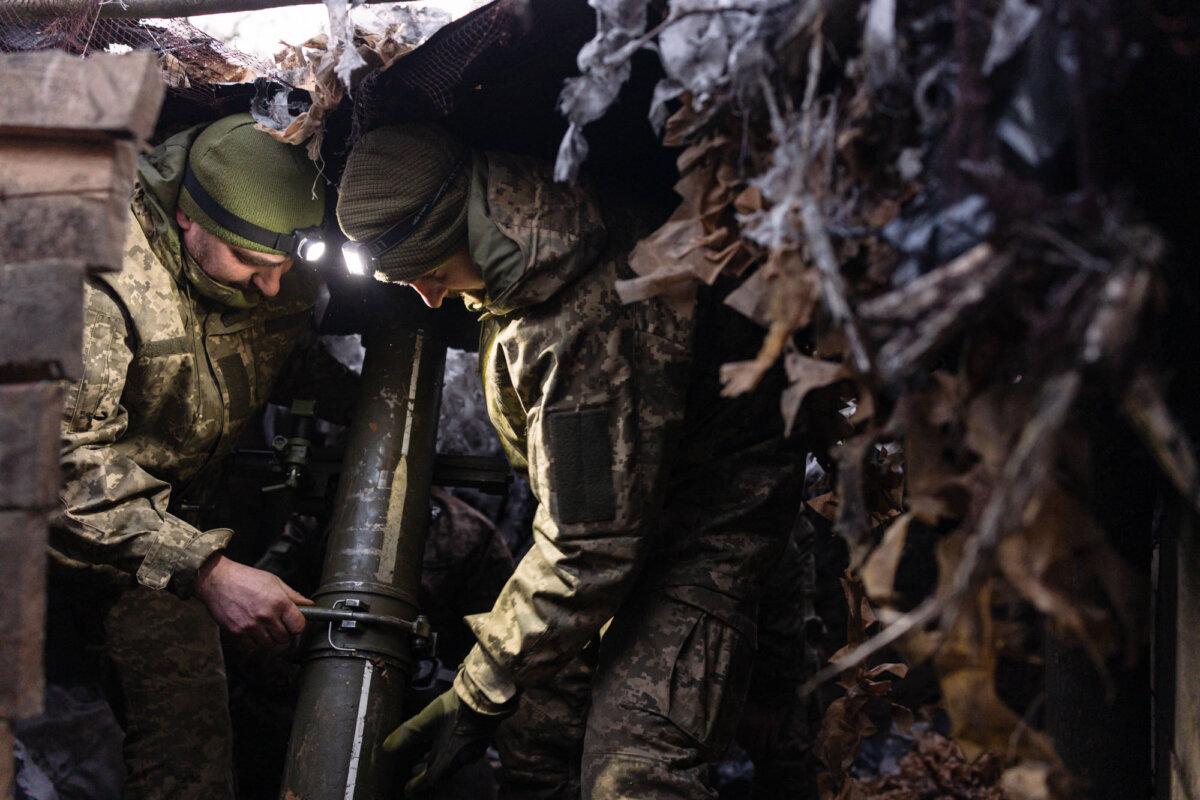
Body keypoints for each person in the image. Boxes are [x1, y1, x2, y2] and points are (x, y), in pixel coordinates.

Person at [336, 124, 805, 799]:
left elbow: (591, 548)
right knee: (534, 743)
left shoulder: (584, 318)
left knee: (632, 773)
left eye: (434, 273)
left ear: (466, 227)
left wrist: (476, 691)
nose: (431, 298)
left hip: (697, 539)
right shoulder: (517, 237)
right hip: (614, 527)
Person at [50, 113, 357, 800]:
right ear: (188, 216)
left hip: (154, 537)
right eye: (253, 264)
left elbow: (280, 354)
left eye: (283, 268)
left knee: (197, 757)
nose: (271, 286)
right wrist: (208, 570)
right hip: (49, 530)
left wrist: (364, 404)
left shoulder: (268, 262)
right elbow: (54, 466)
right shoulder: (92, 275)